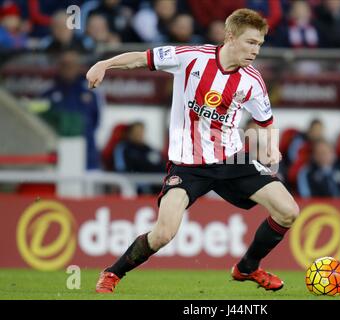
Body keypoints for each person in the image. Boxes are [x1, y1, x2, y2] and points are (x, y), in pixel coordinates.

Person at [87, 8, 299, 293]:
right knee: (163, 234)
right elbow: (141, 57)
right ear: (230, 37)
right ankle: (113, 273)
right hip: (188, 164)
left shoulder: (253, 81)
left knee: (288, 211)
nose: (256, 50)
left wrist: (271, 146)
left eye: (259, 44)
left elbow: (266, 122)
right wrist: (104, 63)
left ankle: (247, 268)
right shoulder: (191, 57)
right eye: (250, 42)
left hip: (231, 160)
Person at [41, 50, 102, 170]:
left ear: (79, 67)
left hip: (88, 158)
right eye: (64, 65)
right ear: (59, 67)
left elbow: (96, 121)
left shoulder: (91, 92)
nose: (68, 68)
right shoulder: (48, 94)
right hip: (58, 160)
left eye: (72, 65)